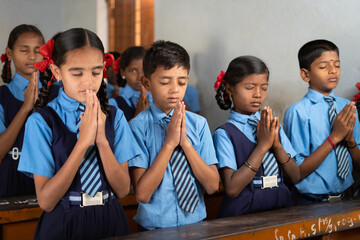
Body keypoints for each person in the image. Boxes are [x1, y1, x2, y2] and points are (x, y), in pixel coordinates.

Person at [18, 28, 140, 239]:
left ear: (104, 69)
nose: (87, 81)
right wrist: (82, 143)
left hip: (110, 218)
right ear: (56, 72)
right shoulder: (41, 122)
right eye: (76, 73)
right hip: (63, 222)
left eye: (95, 72)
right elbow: (46, 201)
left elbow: (122, 189)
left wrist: (101, 140)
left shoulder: (115, 116)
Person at [129, 40, 219, 230]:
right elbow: (143, 194)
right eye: (164, 81)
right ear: (147, 83)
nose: (175, 89)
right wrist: (169, 144)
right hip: (154, 230)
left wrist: (185, 143)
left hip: (196, 225)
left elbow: (212, 186)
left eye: (182, 81)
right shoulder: (137, 127)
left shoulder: (198, 124)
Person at [213, 56, 299, 218]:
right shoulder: (224, 134)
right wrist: (262, 146)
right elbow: (232, 189)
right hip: (244, 212)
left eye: (264, 88)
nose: (258, 94)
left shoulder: (272, 126)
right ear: (230, 89)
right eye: (250, 87)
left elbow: (296, 176)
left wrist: (277, 146)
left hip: (281, 207)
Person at [284, 39, 360, 205]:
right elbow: (296, 171)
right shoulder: (298, 112)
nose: (333, 71)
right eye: (324, 66)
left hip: (346, 199)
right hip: (310, 203)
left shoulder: (346, 107)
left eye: (337, 65)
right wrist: (335, 137)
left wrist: (349, 139)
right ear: (306, 74)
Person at [0, 24, 44, 197]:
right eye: (24, 50)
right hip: (11, 182)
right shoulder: (2, 95)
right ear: (10, 53)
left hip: (49, 181)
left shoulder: (57, 93)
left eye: (37, 50)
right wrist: (26, 107)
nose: (32, 56)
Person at [109, 46, 152, 121]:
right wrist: (138, 116)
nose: (140, 77)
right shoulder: (114, 104)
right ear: (123, 72)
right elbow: (114, 132)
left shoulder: (157, 99)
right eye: (133, 71)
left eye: (144, 70)